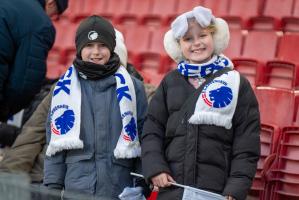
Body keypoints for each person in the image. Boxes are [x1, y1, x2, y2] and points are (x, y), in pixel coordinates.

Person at [141, 6, 260, 200]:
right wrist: (156, 168)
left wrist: (236, 188)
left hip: (216, 192)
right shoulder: (170, 82)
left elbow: (246, 143)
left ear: (215, 37)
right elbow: (152, 131)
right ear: (179, 45)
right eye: (188, 39)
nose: (196, 43)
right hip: (173, 189)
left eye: (202, 36)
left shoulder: (237, 83)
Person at [42, 15, 148, 199]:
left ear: (112, 48)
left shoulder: (133, 87)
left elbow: (143, 135)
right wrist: (52, 187)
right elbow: (55, 145)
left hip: (118, 188)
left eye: (102, 45)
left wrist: (141, 184)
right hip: (77, 189)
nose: (96, 52)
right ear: (79, 49)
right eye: (89, 46)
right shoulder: (63, 90)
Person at [0, 0, 68, 122]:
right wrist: (5, 111)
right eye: (54, 14)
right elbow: (24, 83)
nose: (51, 18)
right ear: (51, 3)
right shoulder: (41, 23)